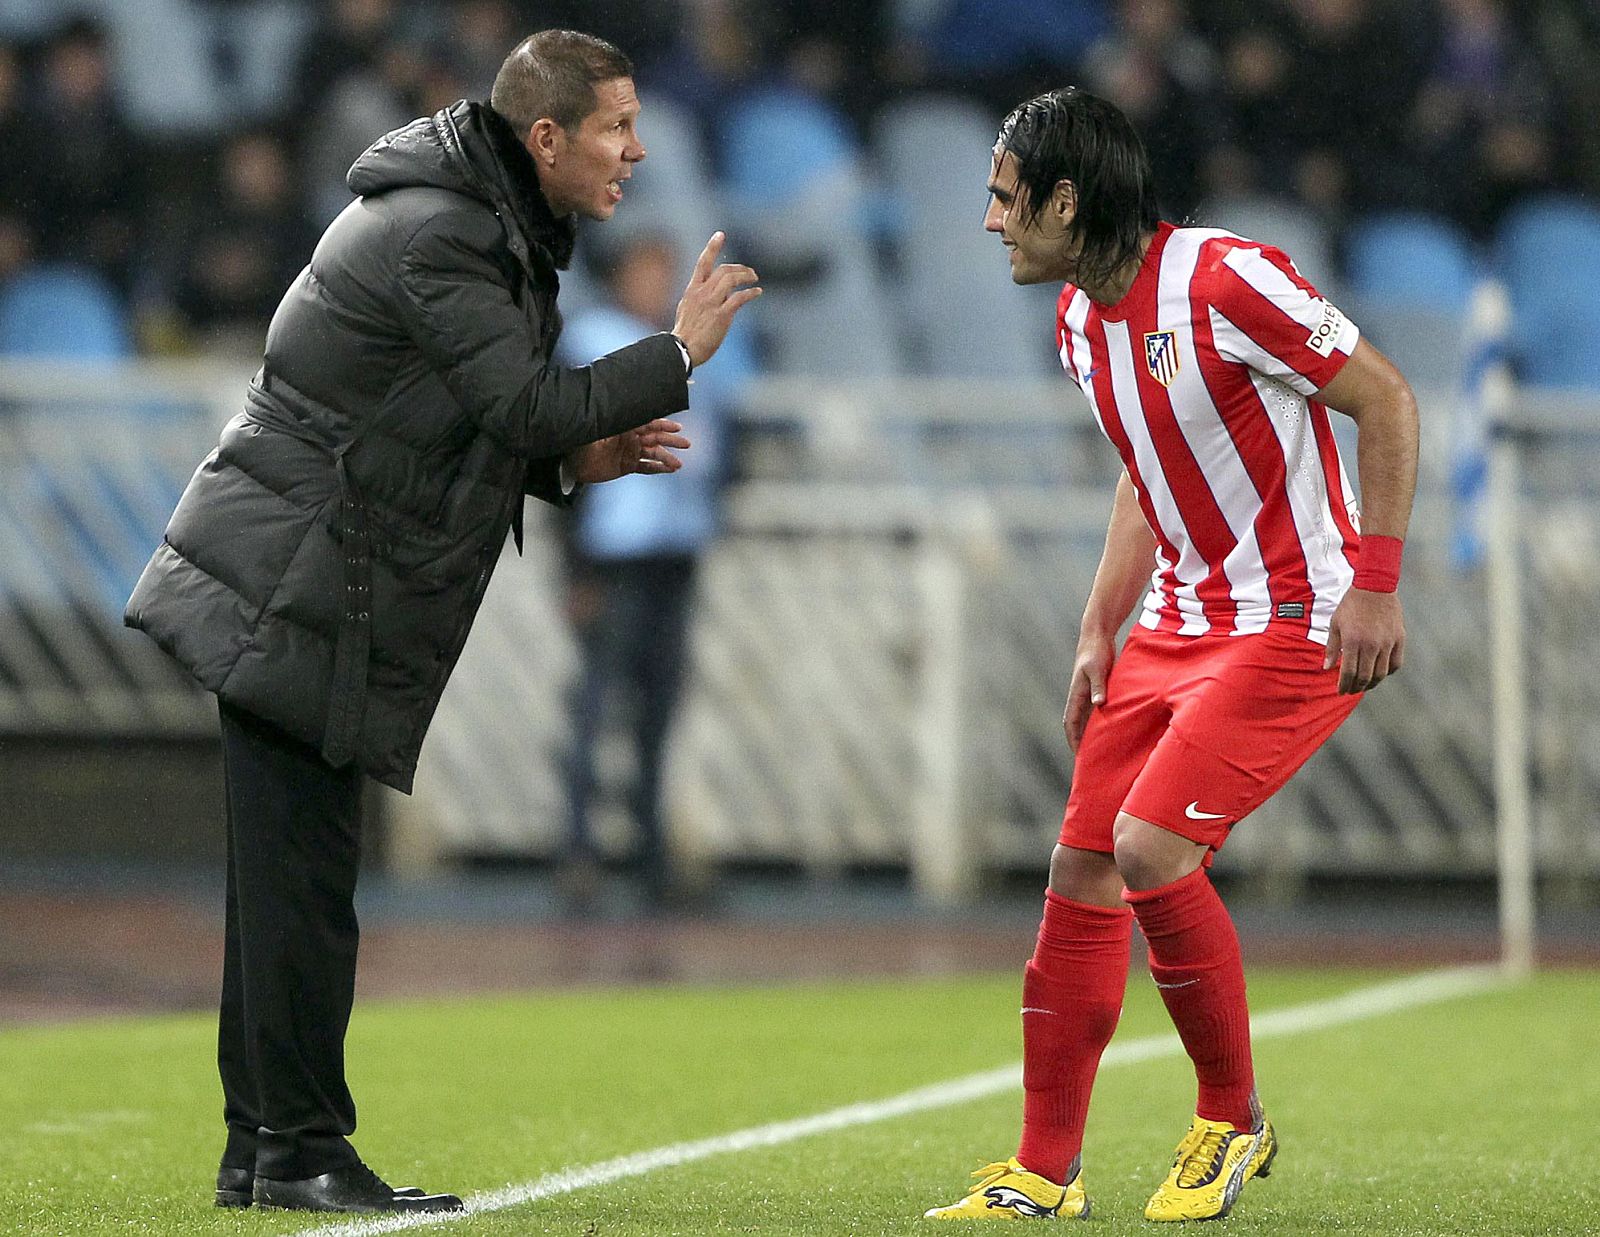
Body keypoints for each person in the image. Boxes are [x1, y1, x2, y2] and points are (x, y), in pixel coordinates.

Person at [124, 29, 760, 1215]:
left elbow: (438, 421)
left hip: (298, 574)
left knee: (284, 888)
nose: (636, 150)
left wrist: (573, 464)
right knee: (301, 890)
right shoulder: (448, 230)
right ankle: (300, 1145)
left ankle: (264, 1148)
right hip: (296, 581)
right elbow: (516, 401)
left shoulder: (471, 219)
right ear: (547, 138)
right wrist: (675, 353)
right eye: (617, 127)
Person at [925, 87, 1416, 1223]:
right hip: (1177, 622)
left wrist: (1377, 585)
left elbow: (1385, 399)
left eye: (1004, 200)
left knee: (1149, 846)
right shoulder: (1076, 320)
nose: (989, 222)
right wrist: (1100, 624)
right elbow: (1151, 468)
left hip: (1295, 611)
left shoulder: (1223, 277)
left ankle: (1230, 1119)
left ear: (1064, 199)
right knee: (1080, 868)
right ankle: (1042, 1171)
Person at [560, 232, 739, 909]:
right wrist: (573, 565)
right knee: (598, 704)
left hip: (674, 548)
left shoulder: (688, 353)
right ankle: (579, 849)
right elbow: (565, 451)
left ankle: (647, 852)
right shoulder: (593, 343)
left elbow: (726, 439)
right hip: (614, 551)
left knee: (658, 709)